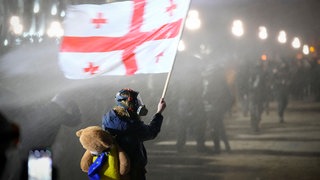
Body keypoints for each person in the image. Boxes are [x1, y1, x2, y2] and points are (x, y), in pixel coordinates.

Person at [102, 88, 166, 180]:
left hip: (114, 168)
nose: (139, 104)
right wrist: (159, 112)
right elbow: (151, 132)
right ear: (128, 103)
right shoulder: (130, 125)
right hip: (132, 170)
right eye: (136, 101)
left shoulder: (109, 118)